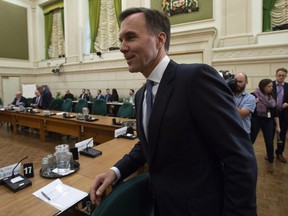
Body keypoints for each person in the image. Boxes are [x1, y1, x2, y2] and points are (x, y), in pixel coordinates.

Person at [90, 8, 257, 216]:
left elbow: (239, 158)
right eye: (121, 39)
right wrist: (115, 172)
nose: (122, 48)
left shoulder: (196, 78)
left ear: (159, 40)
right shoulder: (142, 94)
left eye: (130, 37)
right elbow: (149, 145)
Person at [250, 79, 280, 172]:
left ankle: (271, 161)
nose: (271, 88)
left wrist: (278, 126)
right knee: (251, 139)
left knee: (269, 141)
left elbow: (275, 113)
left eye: (272, 86)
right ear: (263, 87)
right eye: (269, 86)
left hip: (268, 121)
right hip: (256, 120)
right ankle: (246, 158)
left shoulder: (272, 97)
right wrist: (253, 103)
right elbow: (247, 109)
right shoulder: (253, 95)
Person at [272, 67, 288, 163]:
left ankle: (279, 153)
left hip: (284, 114)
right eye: (279, 75)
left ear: (286, 76)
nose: (281, 77)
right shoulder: (270, 85)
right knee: (269, 134)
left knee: (281, 134)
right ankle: (269, 152)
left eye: (283, 76)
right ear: (276, 75)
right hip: (271, 114)